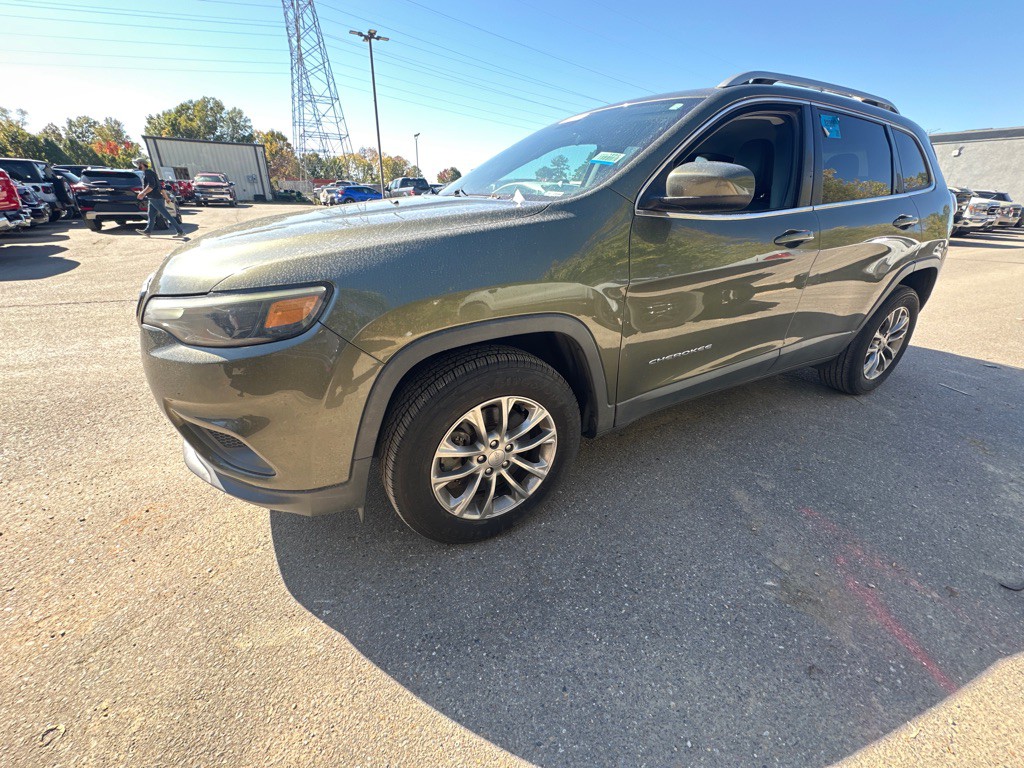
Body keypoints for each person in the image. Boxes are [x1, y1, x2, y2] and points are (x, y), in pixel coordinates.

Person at [134, 158, 186, 239]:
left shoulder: (148, 173)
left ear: (141, 164)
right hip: (154, 198)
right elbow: (160, 187)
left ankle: (180, 232)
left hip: (155, 198)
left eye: (138, 164)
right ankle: (147, 231)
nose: (137, 166)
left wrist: (142, 193)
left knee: (167, 215)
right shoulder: (151, 173)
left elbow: (151, 185)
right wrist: (167, 198)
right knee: (151, 215)